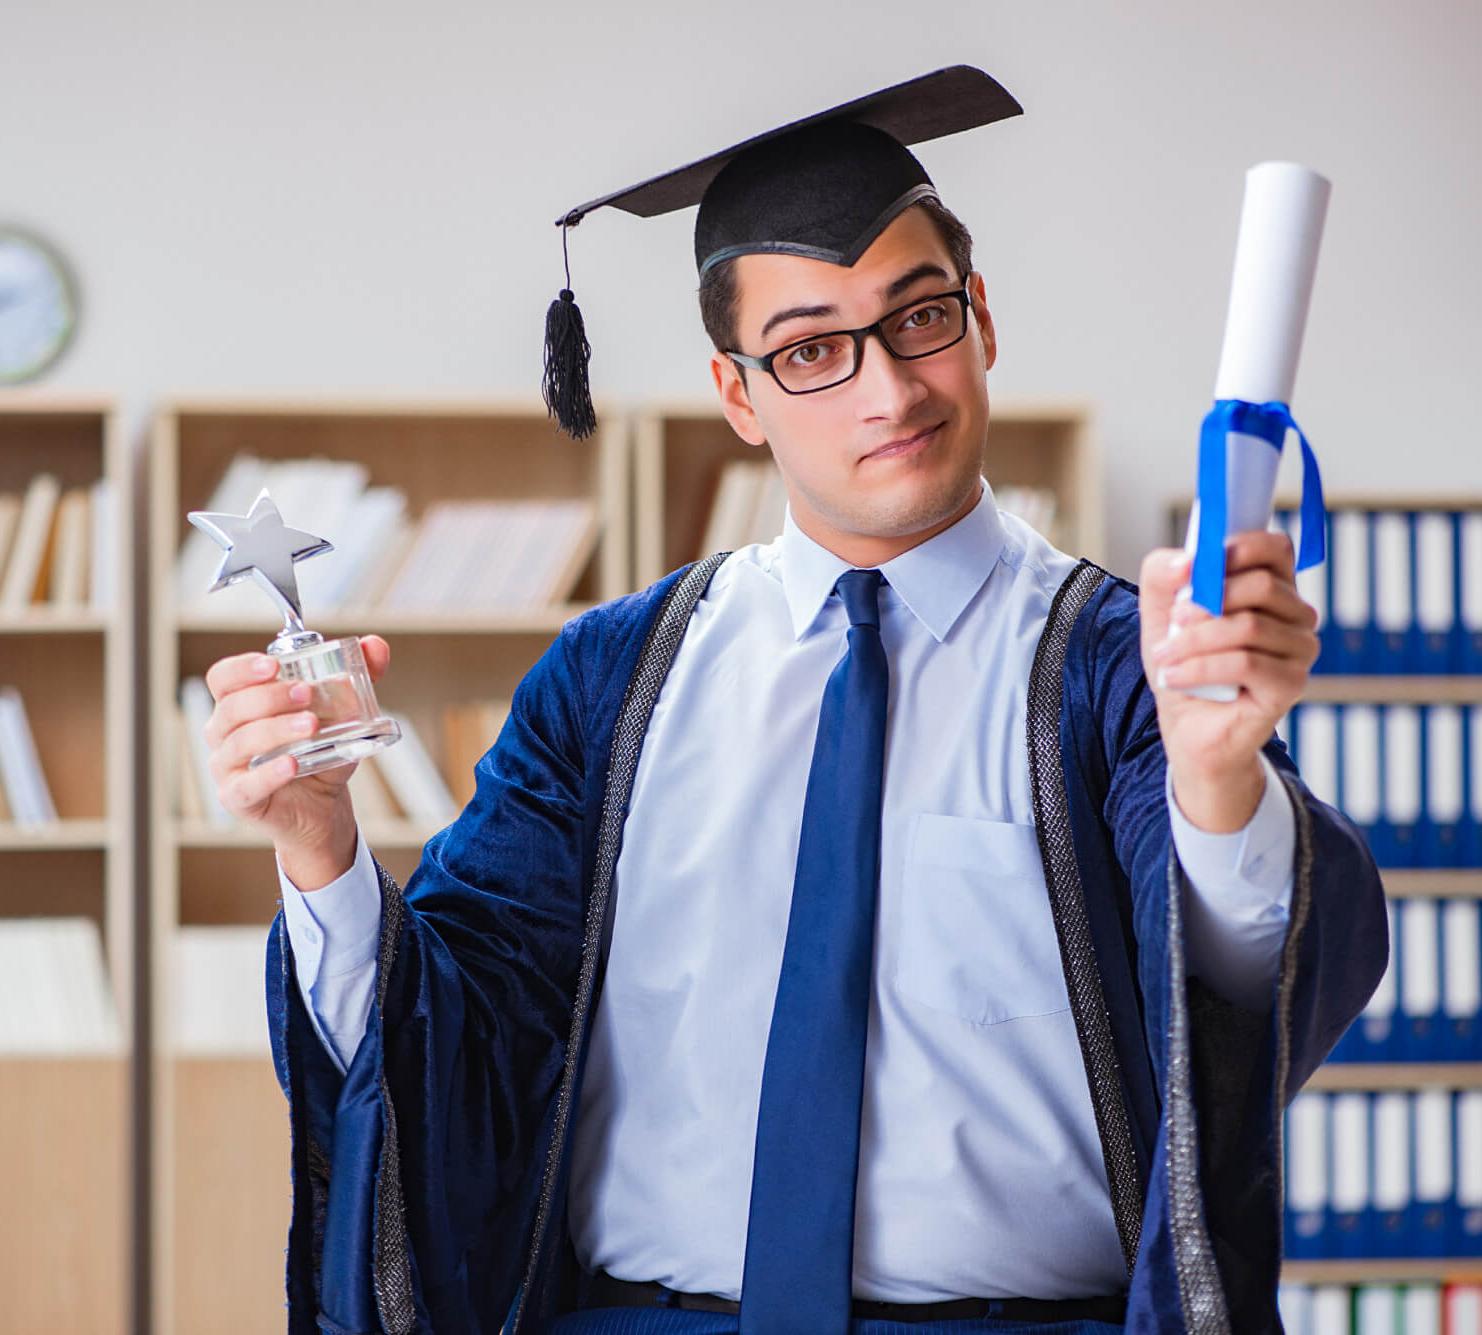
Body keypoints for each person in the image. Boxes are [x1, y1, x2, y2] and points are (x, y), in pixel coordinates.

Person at [202, 66, 1386, 1335]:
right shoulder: (611, 682)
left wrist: (1215, 774)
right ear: (738, 397)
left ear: (980, 318)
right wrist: (319, 847)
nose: (889, 391)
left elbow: (1237, 992)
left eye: (919, 317)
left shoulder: (1112, 664)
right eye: (813, 349)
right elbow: (454, 1047)